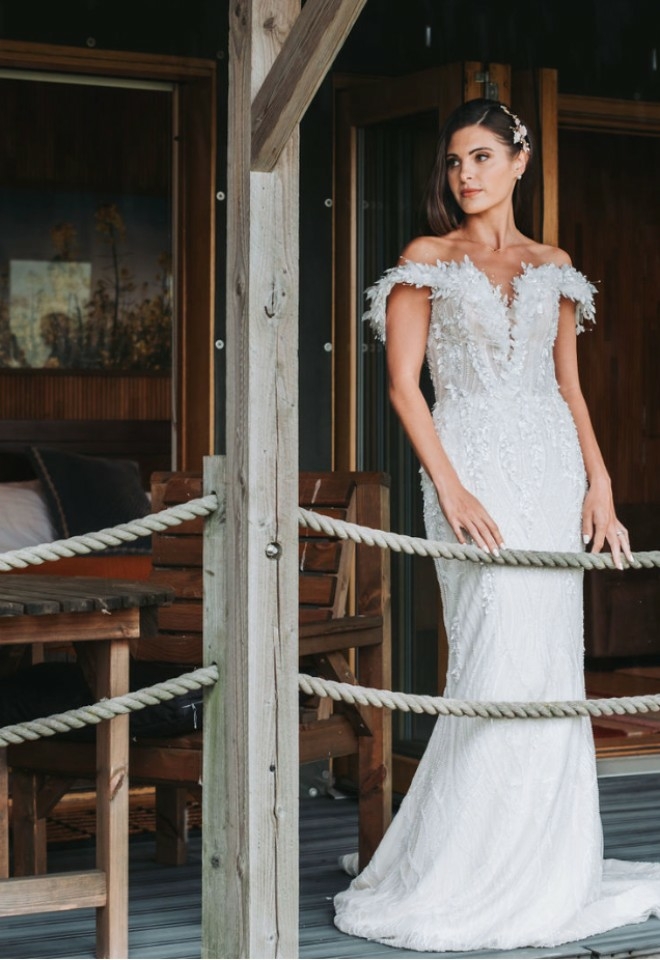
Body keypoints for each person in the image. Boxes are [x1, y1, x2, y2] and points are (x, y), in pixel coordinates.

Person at [334, 98, 660, 952]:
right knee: (492, 661)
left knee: (548, 664)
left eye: (481, 157)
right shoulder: (425, 259)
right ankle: (462, 869)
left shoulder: (554, 265)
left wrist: (600, 483)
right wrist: (453, 488)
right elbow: (407, 388)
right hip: (470, 466)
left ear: (520, 161)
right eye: (453, 162)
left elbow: (570, 388)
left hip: (550, 471)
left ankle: (547, 866)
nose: (464, 175)